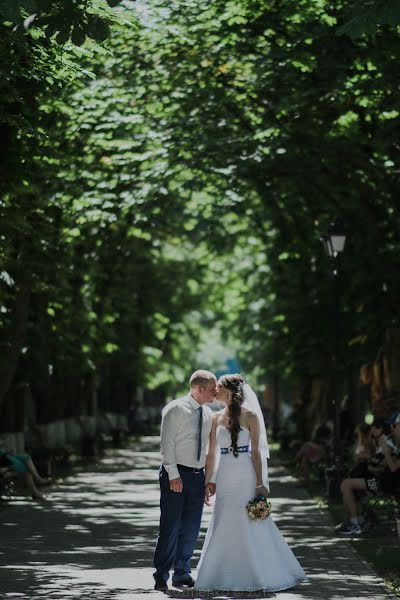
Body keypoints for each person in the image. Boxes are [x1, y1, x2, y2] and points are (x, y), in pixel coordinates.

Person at [194, 374, 307, 593]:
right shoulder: (216, 418)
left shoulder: (252, 417)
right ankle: (221, 571)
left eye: (218, 387)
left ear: (229, 391)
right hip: (225, 475)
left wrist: (259, 483)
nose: (214, 390)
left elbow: (256, 453)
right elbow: (211, 455)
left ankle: (259, 571)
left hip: (245, 474)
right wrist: (208, 481)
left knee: (250, 519)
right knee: (224, 518)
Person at [153, 369, 217, 591]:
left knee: (191, 528)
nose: (215, 393)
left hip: (198, 477)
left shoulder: (208, 414)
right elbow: (166, 444)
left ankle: (182, 573)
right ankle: (161, 574)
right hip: (176, 474)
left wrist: (210, 479)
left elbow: (210, 450)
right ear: (199, 389)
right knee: (171, 526)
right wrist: (173, 475)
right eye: (211, 390)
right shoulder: (175, 409)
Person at [337, 415, 400, 535]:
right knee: (346, 486)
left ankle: (356, 523)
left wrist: (383, 453)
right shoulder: (384, 442)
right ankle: (353, 521)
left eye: (395, 426)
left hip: (380, 483)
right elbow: (376, 464)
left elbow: (388, 466)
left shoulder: (389, 444)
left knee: (346, 484)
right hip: (378, 481)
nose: (392, 428)